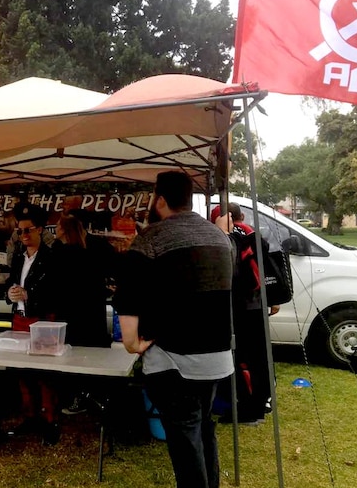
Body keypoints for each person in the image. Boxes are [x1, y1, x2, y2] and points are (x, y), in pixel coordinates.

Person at [113, 172, 234, 488]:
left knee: (185, 436)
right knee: (203, 426)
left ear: (160, 199)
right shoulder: (221, 238)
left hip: (174, 360)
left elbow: (127, 296)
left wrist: (131, 344)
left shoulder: (151, 239)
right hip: (217, 357)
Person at [216, 202, 278, 424]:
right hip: (259, 304)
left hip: (241, 306)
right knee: (260, 357)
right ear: (242, 215)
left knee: (244, 358)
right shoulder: (254, 234)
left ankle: (250, 409)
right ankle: (263, 401)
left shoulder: (230, 237)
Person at [5, 203, 61, 445]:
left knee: (44, 374)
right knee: (22, 371)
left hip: (42, 320)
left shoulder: (51, 258)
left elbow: (58, 293)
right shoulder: (19, 257)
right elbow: (11, 283)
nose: (24, 235)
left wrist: (30, 296)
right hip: (20, 318)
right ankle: (29, 416)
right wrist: (11, 293)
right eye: (20, 231)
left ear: (40, 230)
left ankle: (50, 420)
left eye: (28, 230)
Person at [51, 214, 112, 416]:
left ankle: (79, 397)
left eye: (58, 227)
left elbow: (56, 283)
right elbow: (116, 268)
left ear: (64, 229)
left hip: (70, 314)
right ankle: (97, 397)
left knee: (73, 357)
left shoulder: (59, 250)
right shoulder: (97, 245)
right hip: (92, 312)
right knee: (93, 355)